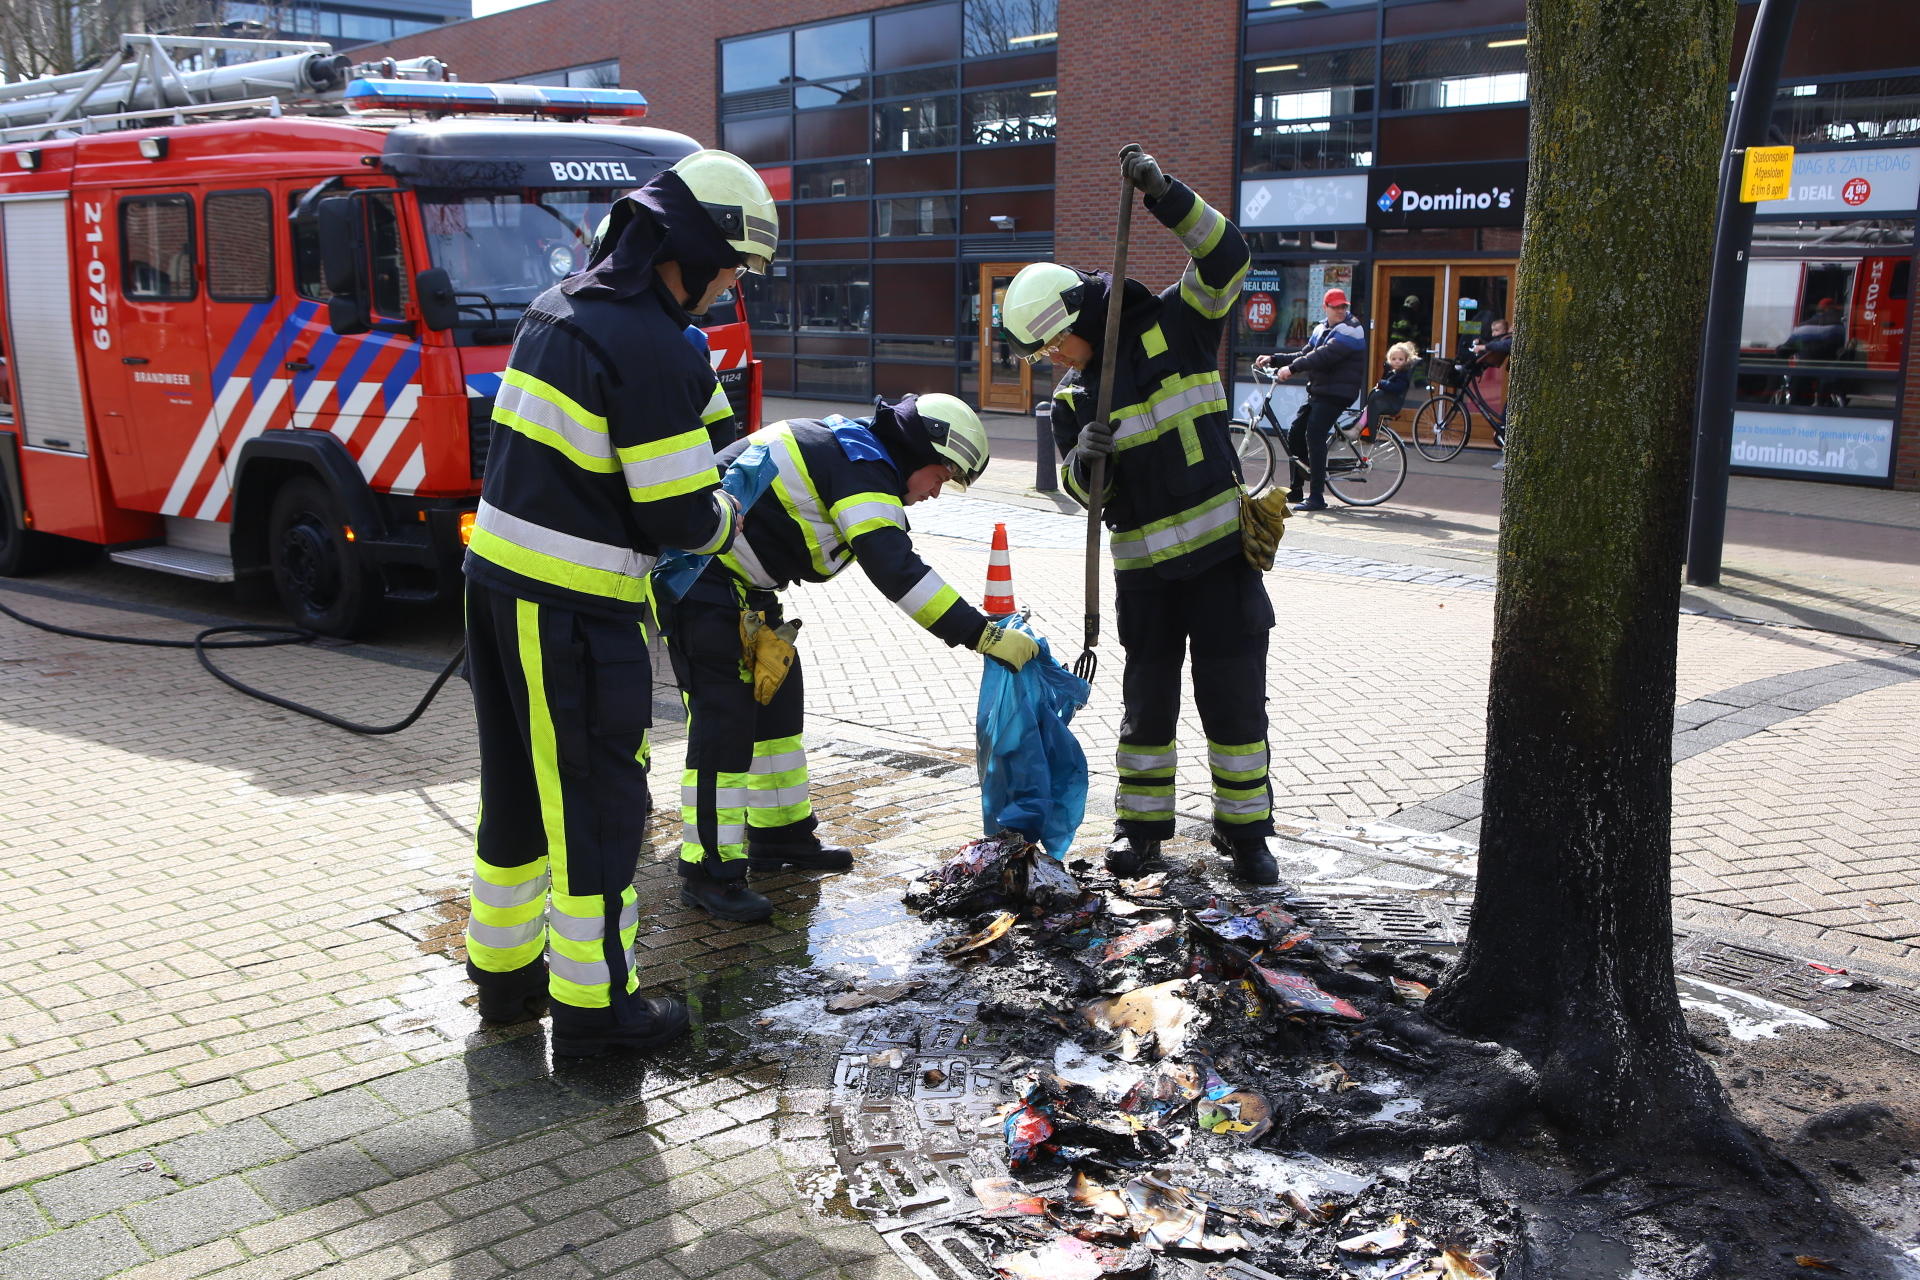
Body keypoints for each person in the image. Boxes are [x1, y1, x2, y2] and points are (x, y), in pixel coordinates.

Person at [459, 149, 775, 1058]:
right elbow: (679, 514)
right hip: (576, 616)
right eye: (731, 265)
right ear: (693, 245)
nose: (728, 286)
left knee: (516, 797)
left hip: (499, 596)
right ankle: (601, 1016)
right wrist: (726, 517)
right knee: (600, 806)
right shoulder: (654, 340)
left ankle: (507, 985)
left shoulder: (559, 307)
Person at [997, 146, 1279, 887]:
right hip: (1146, 581)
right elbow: (1086, 498)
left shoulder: (1178, 321)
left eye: (1054, 342)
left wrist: (1164, 194)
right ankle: (1142, 833)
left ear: (1074, 317)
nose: (1055, 359)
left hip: (1222, 564)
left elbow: (1228, 254)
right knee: (1145, 714)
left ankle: (1246, 836)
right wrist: (1087, 463)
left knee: (1235, 709)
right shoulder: (1073, 401)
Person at [664, 394, 1037, 922]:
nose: (934, 493)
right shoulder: (863, 467)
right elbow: (895, 569)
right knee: (722, 730)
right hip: (699, 581)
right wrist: (981, 634)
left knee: (777, 710)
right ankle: (708, 872)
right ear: (920, 449)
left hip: (739, 588)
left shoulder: (858, 452)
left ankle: (780, 837)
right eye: (942, 476)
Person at [1254, 289, 1367, 510]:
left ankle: (1317, 497)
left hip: (1338, 392)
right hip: (1320, 390)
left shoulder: (1352, 329)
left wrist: (1292, 369)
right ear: (1325, 308)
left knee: (1314, 434)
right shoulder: (1322, 328)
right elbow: (1305, 352)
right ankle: (1295, 490)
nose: (1341, 311)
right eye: (1335, 307)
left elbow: (1323, 355)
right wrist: (1275, 359)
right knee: (1295, 432)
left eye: (1343, 306)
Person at [1472, 318, 1514, 468]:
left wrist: (1484, 347)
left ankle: (1507, 457)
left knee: (1507, 416)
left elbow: (1505, 344)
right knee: (1506, 414)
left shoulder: (1515, 338)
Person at [1361, 341, 1418, 439]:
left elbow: (1396, 388)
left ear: (1406, 361)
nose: (1397, 361)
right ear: (1389, 360)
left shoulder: (1403, 374)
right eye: (1394, 359)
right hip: (1387, 401)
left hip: (1392, 404)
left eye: (1400, 359)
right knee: (1368, 408)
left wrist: (1382, 383)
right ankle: (1361, 427)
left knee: (1373, 403)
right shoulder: (1392, 372)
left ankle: (1368, 434)